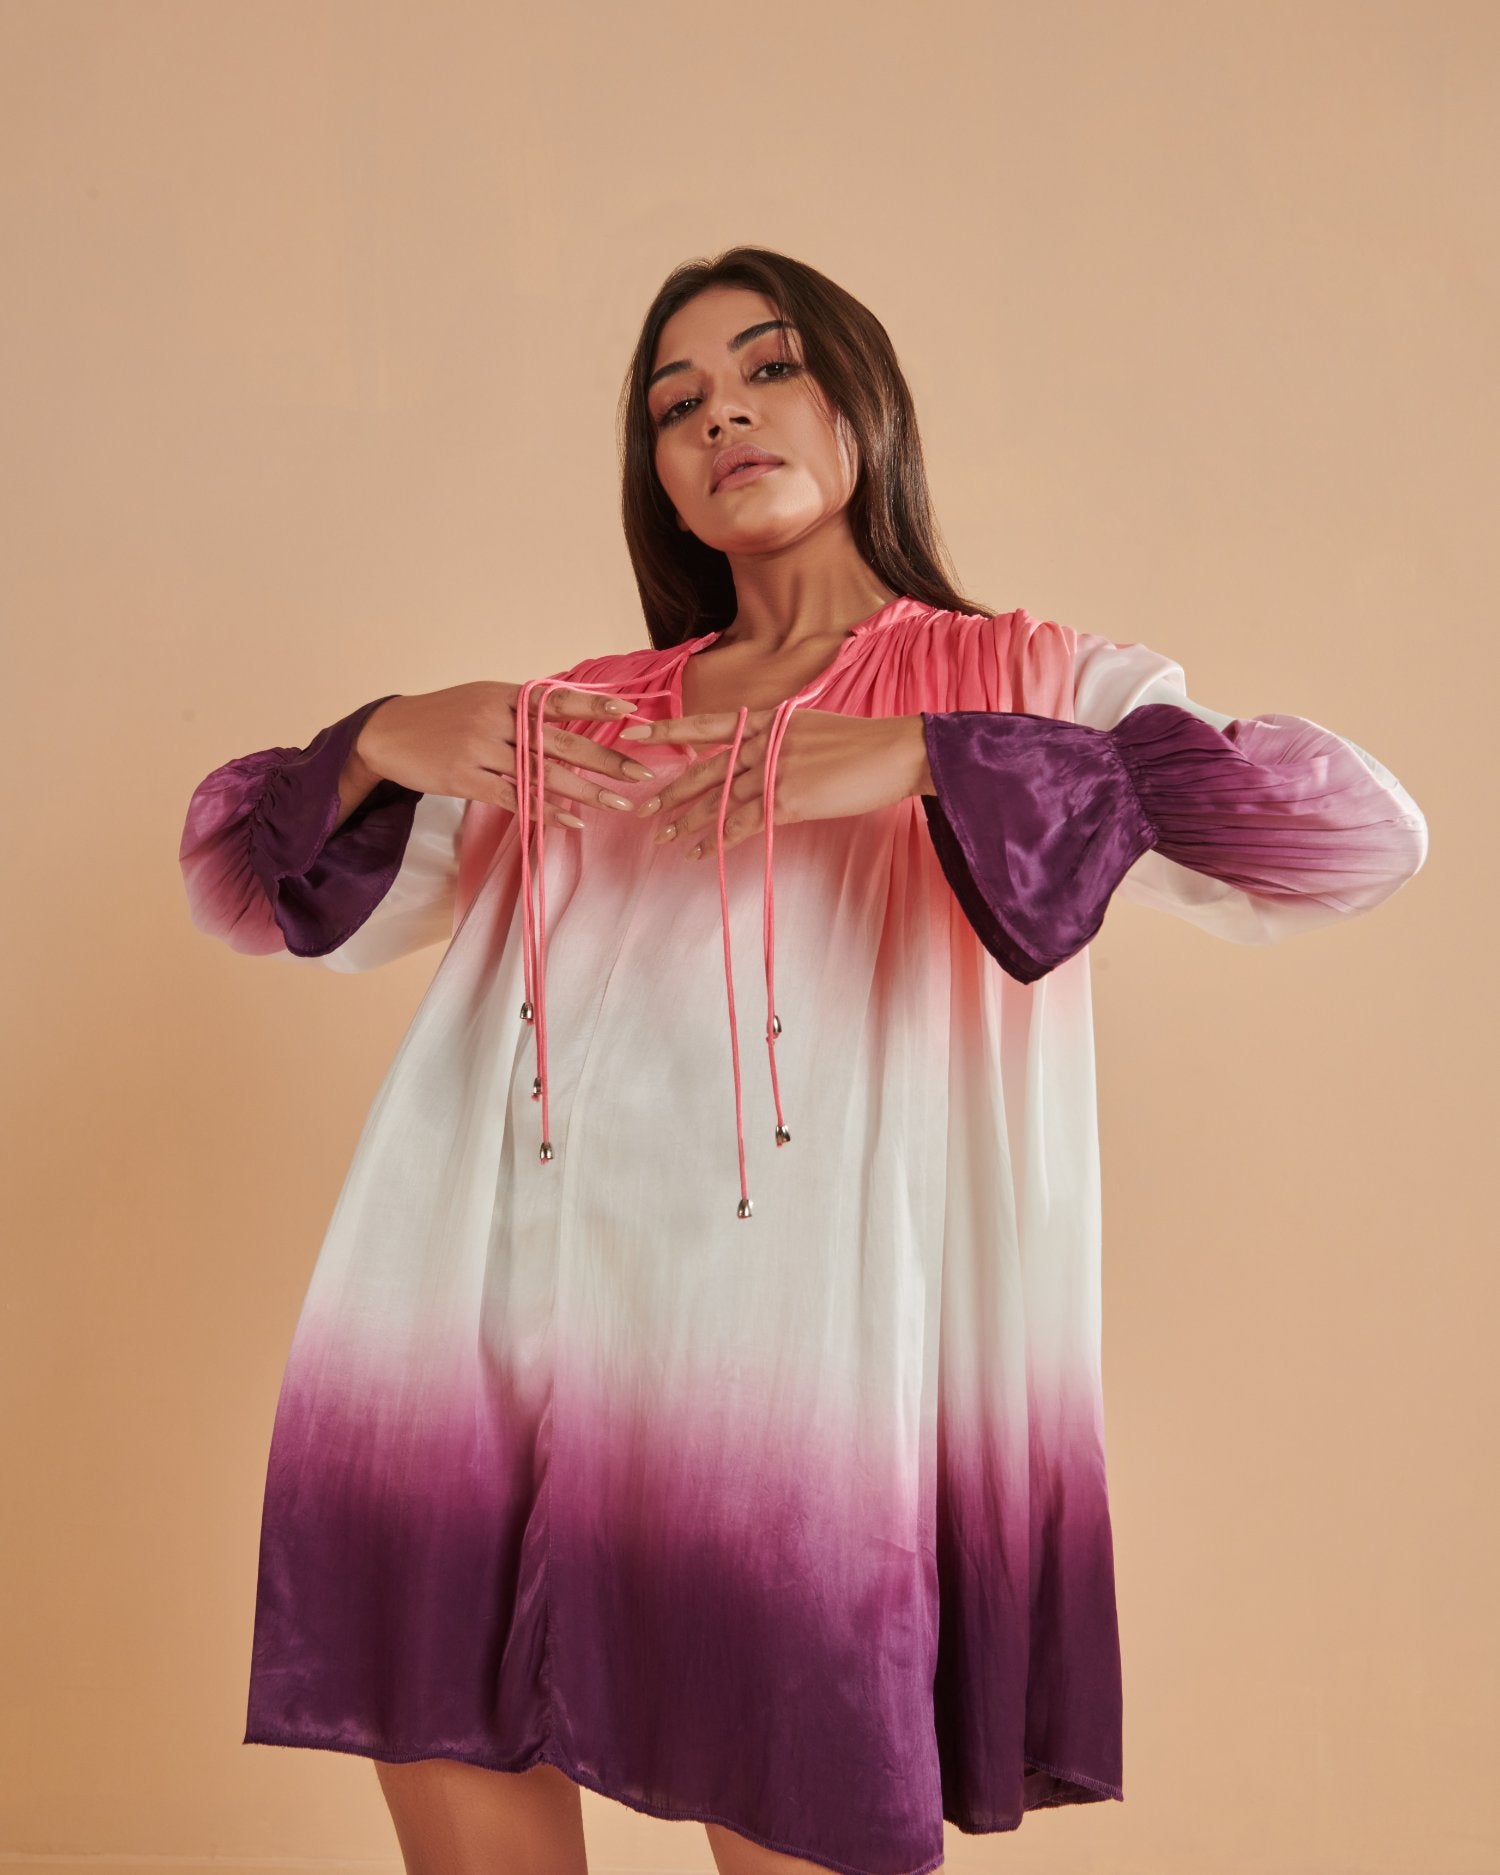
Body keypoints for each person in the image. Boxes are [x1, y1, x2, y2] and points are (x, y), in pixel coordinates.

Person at [178, 246, 1429, 1875]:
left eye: (769, 369)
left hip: (792, 1417)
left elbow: (1351, 839)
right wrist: (385, 735)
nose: (723, 417)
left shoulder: (1030, 682)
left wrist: (925, 757)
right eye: (676, 404)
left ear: (864, 405)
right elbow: (245, 878)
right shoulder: (575, 721)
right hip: (461, 1354)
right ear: (657, 475)